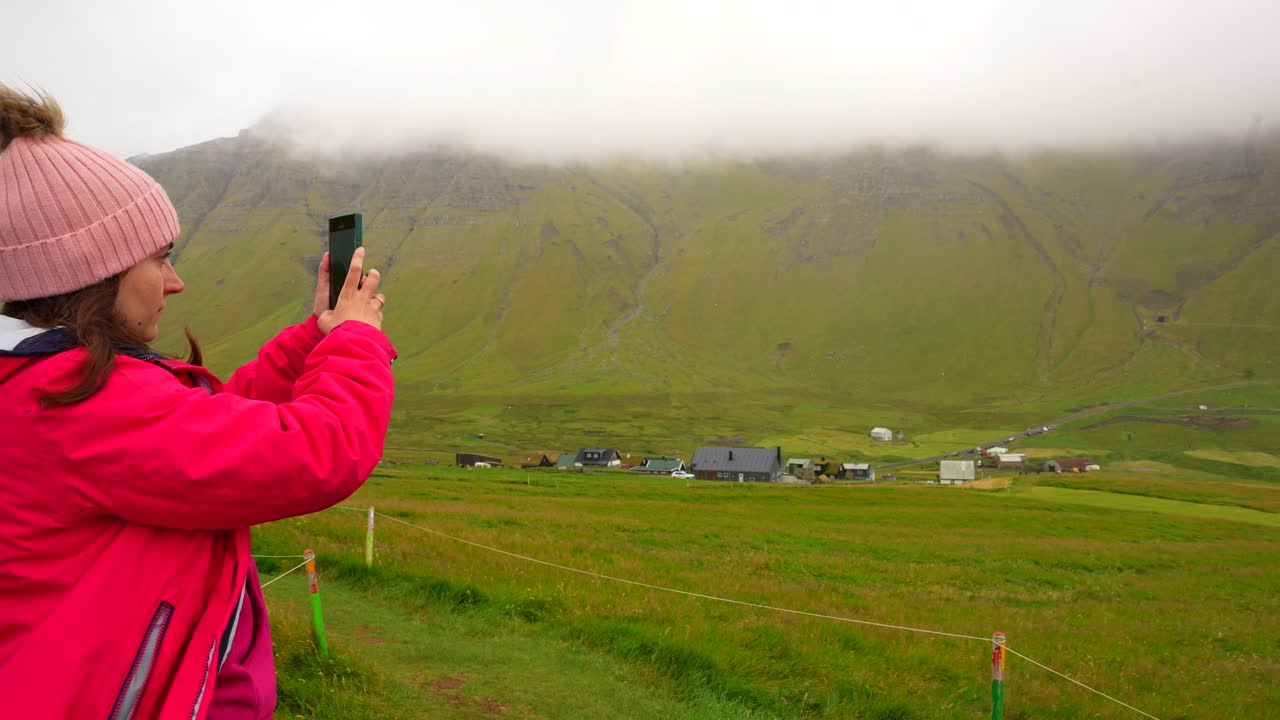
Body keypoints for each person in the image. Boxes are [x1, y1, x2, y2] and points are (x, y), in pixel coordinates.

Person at [0, 85, 395, 719]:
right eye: (160, 258)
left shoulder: (53, 388)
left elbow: (202, 432)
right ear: (94, 271)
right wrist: (354, 342)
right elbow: (314, 452)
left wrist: (307, 341)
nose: (176, 282)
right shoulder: (77, 401)